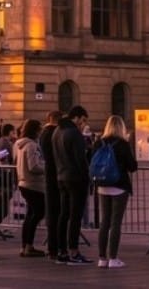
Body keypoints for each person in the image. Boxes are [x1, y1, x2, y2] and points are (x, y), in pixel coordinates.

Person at [95, 115, 137, 269]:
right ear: (121, 127)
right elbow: (132, 166)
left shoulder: (99, 142)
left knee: (104, 222)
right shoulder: (123, 144)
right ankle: (113, 258)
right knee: (115, 222)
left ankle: (102, 258)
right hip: (119, 185)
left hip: (102, 184)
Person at [53, 105, 91, 265]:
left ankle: (61, 251)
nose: (83, 124)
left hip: (61, 176)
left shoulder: (57, 131)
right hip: (76, 179)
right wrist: (87, 177)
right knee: (75, 216)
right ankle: (74, 252)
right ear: (76, 117)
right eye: (83, 120)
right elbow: (81, 159)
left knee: (64, 215)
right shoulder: (74, 133)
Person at [14, 118, 47, 258]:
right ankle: (28, 245)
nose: (41, 131)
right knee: (38, 213)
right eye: (40, 129)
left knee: (30, 215)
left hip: (23, 182)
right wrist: (46, 168)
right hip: (34, 184)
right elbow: (33, 166)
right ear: (35, 130)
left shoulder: (20, 144)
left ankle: (25, 246)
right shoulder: (32, 145)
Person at [39, 110, 64, 261]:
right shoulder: (54, 133)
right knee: (57, 212)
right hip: (56, 176)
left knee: (52, 212)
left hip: (49, 175)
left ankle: (52, 247)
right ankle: (56, 247)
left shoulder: (44, 133)